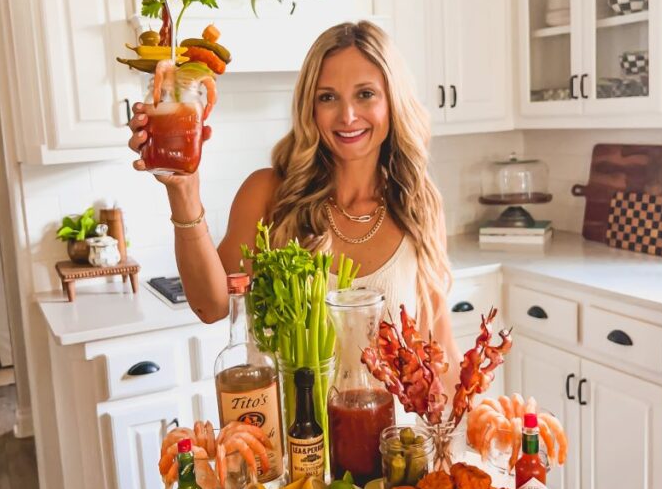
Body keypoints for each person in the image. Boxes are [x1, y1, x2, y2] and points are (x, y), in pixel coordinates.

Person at [128, 20, 460, 373]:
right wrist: (184, 189)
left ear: (393, 101)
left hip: (394, 430)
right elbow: (211, 306)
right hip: (289, 429)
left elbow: (439, 352)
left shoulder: (417, 203)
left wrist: (483, 418)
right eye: (328, 97)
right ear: (310, 108)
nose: (347, 116)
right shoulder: (268, 195)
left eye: (365, 94)